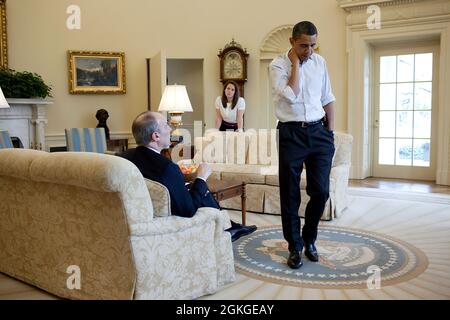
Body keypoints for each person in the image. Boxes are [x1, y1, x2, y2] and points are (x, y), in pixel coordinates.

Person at [120, 111, 257, 241]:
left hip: (142, 216)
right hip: (172, 221)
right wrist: (201, 177)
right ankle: (228, 228)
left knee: (196, 186)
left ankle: (231, 226)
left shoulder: (125, 157)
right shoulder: (168, 168)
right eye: (166, 125)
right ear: (156, 136)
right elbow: (188, 210)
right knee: (201, 187)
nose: (170, 129)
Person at [269, 21, 336, 269]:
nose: (309, 50)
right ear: (292, 42)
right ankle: (295, 246)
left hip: (319, 133)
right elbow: (292, 94)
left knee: (321, 192)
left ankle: (310, 239)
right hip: (291, 133)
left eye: (313, 45)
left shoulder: (320, 62)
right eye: (303, 45)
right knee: (290, 193)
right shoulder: (277, 65)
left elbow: (327, 96)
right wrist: (295, 63)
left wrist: (330, 133)